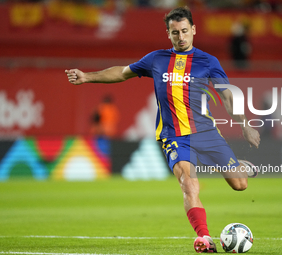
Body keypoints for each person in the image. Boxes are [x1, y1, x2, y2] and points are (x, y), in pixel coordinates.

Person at [65, 6, 260, 253]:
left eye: (185, 31)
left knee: (240, 184)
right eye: (175, 32)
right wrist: (87, 76)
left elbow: (228, 96)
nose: (181, 37)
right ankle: (204, 238)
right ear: (168, 33)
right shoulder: (156, 59)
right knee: (188, 184)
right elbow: (122, 72)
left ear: (194, 30)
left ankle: (239, 165)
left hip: (207, 133)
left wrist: (244, 125)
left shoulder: (209, 62)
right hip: (174, 136)